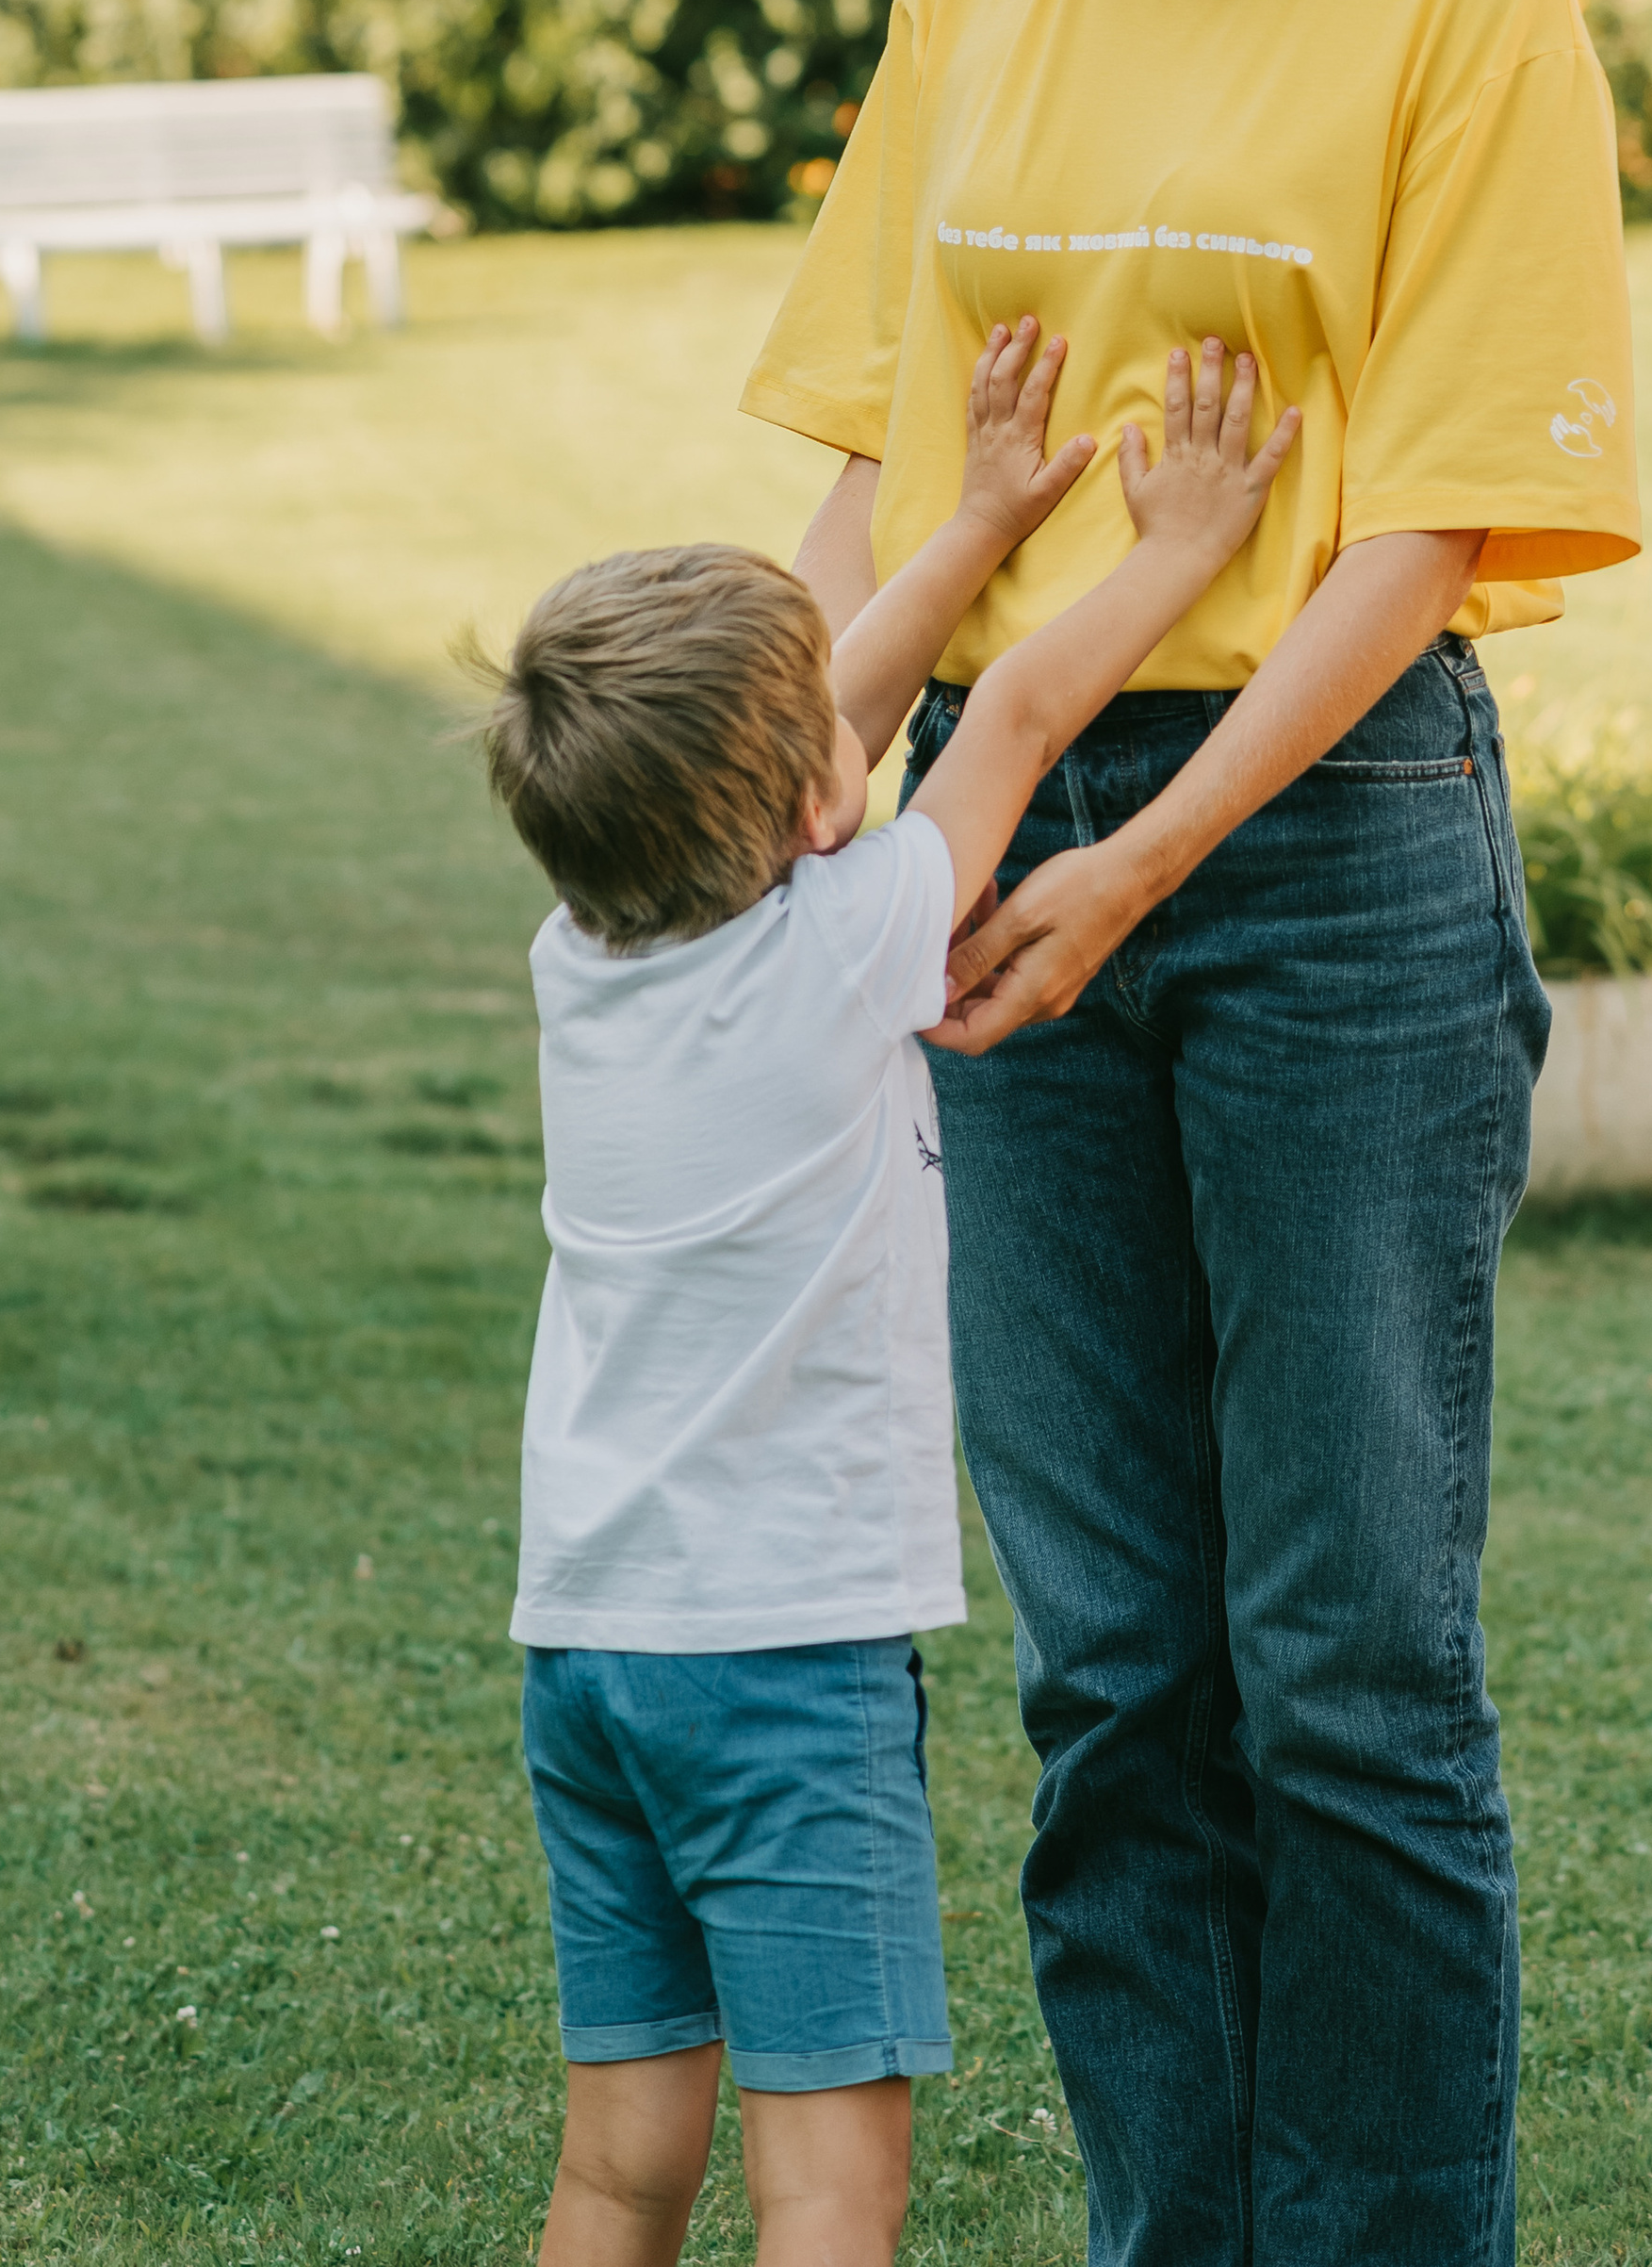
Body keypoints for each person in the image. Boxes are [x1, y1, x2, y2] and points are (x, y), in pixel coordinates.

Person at [742, 0, 1643, 2266]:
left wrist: (1144, 848)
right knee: (1119, 1671)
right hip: (997, 853)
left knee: (1348, 1667)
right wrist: (827, 787)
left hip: (1329, 844)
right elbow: (886, 422)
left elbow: (1427, 531)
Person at [468, 313, 1300, 2267]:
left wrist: (979, 512)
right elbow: (1000, 723)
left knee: (618, 2168)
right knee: (827, 2187)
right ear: (821, 802)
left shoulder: (578, 957)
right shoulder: (843, 945)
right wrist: (1169, 544)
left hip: (588, 1645)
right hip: (778, 1668)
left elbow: (808, 752)